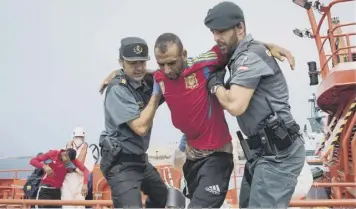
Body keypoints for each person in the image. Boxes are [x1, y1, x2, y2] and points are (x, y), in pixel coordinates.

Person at [100, 33, 295, 208]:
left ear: (183, 55)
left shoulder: (201, 66)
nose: (166, 70)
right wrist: (122, 75)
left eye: (171, 63)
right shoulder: (152, 80)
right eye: (161, 65)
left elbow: (234, 45)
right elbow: (141, 113)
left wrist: (266, 46)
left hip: (217, 155)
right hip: (179, 160)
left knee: (183, 203)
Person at [204, 1, 306, 208]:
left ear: (240, 27)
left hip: (279, 155)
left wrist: (215, 85)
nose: (216, 38)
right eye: (214, 32)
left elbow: (234, 105)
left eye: (221, 31)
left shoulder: (249, 57)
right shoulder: (243, 53)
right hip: (262, 153)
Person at [99, 37, 168, 208]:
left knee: (162, 196)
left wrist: (155, 75)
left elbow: (171, 71)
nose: (138, 68)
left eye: (142, 62)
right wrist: (156, 94)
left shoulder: (145, 81)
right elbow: (141, 127)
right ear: (121, 62)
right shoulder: (118, 90)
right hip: (120, 163)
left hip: (139, 159)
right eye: (132, 63)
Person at [61, 127, 95, 209]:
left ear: (84, 138)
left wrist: (85, 184)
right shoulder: (64, 149)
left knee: (80, 206)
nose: (78, 139)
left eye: (80, 137)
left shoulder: (88, 151)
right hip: (67, 181)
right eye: (77, 137)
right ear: (73, 137)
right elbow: (61, 164)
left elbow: (88, 169)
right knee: (67, 206)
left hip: (80, 181)